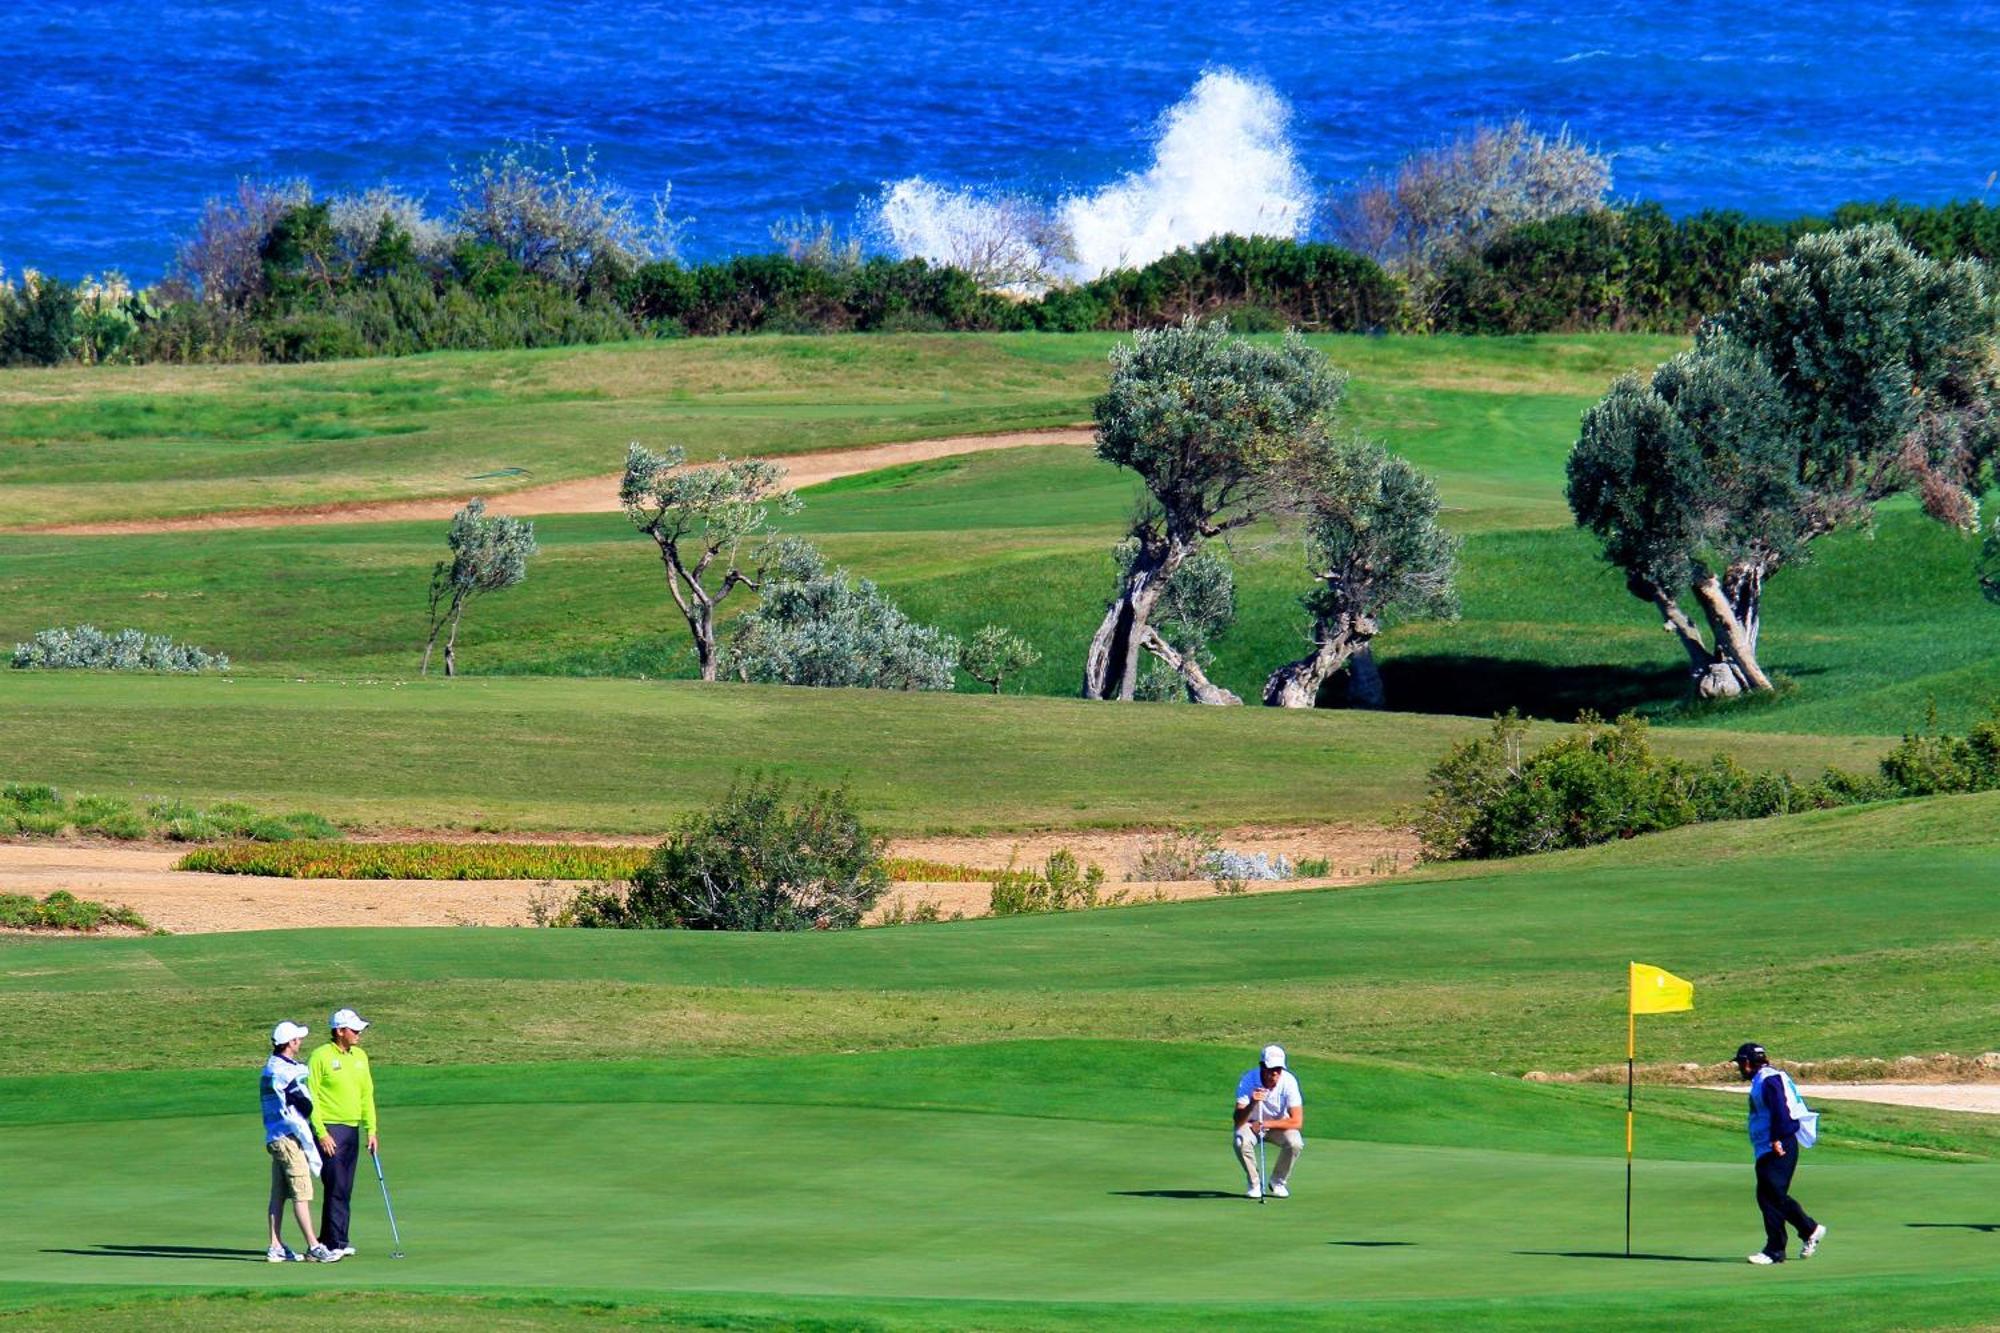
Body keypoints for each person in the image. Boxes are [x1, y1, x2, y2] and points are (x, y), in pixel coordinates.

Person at [1734, 1041, 1827, 1265]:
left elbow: (1781, 1110)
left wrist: (1776, 1138)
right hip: (1771, 1143)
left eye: (1739, 1063)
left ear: (1747, 1063)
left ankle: (1798, 1236)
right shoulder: (1764, 1078)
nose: (1739, 1068)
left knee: (1772, 1194)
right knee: (1767, 1195)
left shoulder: (1769, 1079)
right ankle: (1782, 1245)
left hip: (1779, 1143)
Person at [261, 1020, 339, 1263]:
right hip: (289, 1138)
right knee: (301, 1193)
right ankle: (314, 1246)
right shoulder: (284, 1071)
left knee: (279, 1193)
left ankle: (275, 1246)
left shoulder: (270, 1066)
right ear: (290, 1042)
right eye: (298, 1039)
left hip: (276, 1137)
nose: (301, 1042)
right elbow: (305, 1105)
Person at [307, 1007, 379, 1259]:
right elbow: (310, 1097)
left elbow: (366, 1094)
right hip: (330, 1129)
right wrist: (321, 1132)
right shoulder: (321, 1056)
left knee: (345, 1187)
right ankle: (329, 1244)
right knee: (336, 1185)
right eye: (354, 1029)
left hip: (352, 1128)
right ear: (339, 1031)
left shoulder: (359, 1056)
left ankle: (337, 1239)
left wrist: (371, 1129)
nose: (359, 1033)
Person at [1232, 1043, 1304, 1199]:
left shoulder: (1289, 1081)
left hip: (1277, 1125)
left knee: (1295, 1142)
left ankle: (1278, 1182)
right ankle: (1255, 1184)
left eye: (1278, 1070)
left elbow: (1297, 1121)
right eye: (1271, 1070)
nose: (1274, 1075)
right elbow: (1237, 1121)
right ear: (1262, 1067)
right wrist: (1252, 1102)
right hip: (1250, 1124)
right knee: (1240, 1140)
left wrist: (1266, 1124)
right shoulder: (1248, 1080)